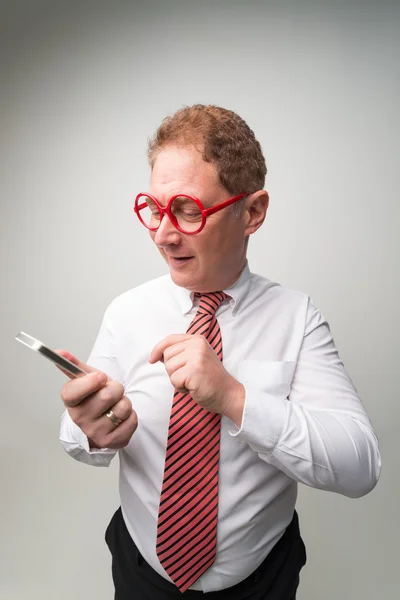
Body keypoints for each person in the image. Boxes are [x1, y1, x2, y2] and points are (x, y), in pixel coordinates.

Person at [59, 104, 381, 600]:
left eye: (188, 210)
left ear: (251, 212)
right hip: (141, 571)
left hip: (261, 583)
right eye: (155, 208)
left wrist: (235, 398)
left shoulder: (297, 318)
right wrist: (93, 431)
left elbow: (360, 467)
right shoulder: (126, 312)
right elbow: (78, 435)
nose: (163, 234)